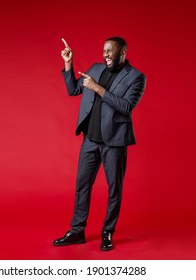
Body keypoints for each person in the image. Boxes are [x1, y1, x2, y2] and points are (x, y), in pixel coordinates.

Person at [53, 37, 146, 251]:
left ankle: (108, 231)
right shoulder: (95, 68)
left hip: (114, 142)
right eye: (104, 50)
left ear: (123, 51)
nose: (106, 54)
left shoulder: (136, 77)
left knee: (114, 188)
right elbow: (73, 90)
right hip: (90, 140)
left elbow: (126, 106)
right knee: (82, 185)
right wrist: (69, 63)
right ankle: (77, 231)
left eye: (110, 51)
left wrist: (97, 88)